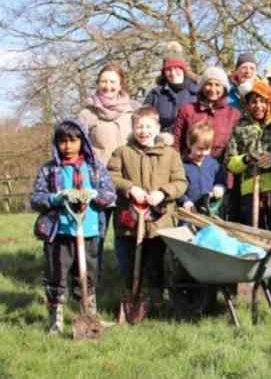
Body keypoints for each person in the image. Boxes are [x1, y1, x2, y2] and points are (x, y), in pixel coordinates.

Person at [30, 119, 116, 335]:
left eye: (73, 140)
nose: (67, 146)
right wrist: (55, 198)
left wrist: (96, 195)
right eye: (62, 141)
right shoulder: (49, 170)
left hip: (89, 231)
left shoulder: (95, 168)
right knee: (56, 276)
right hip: (59, 233)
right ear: (56, 143)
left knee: (88, 276)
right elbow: (36, 198)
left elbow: (110, 194)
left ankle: (89, 316)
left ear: (82, 141)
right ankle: (55, 322)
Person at [108, 106, 188, 306]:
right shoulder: (122, 152)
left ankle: (158, 299)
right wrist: (130, 188)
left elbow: (181, 182)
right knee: (130, 262)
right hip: (130, 219)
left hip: (159, 221)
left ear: (158, 128)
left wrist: (163, 193)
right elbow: (110, 177)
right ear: (132, 128)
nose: (143, 131)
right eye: (139, 127)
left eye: (148, 126)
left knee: (157, 263)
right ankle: (133, 297)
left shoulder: (170, 154)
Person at [77, 64, 139, 280]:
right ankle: (92, 280)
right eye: (104, 81)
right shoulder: (87, 113)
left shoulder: (132, 111)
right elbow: (78, 148)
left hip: (126, 182)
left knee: (125, 235)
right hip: (97, 183)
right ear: (98, 83)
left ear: (120, 84)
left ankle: (128, 279)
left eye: (112, 81)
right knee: (97, 234)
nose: (108, 86)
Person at [225, 80, 271, 232]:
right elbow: (229, 162)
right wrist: (246, 159)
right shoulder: (240, 127)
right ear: (247, 105)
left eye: (262, 101)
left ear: (270, 103)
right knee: (254, 236)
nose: (258, 106)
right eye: (253, 102)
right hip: (249, 191)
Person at [172, 66, 241, 159]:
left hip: (220, 170)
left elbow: (235, 148)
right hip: (189, 167)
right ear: (202, 87)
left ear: (224, 88)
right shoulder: (187, 110)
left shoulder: (233, 114)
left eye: (217, 85)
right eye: (209, 84)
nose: (213, 89)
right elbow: (176, 141)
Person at [177, 121, 226, 214]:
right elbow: (177, 187)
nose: (203, 153)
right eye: (200, 149)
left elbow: (221, 181)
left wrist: (220, 188)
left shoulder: (213, 164)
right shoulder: (182, 165)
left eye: (207, 149)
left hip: (210, 211)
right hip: (189, 211)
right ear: (190, 144)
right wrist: (184, 200)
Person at [143, 54, 199, 133]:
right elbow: (143, 119)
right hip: (162, 142)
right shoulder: (155, 94)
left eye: (176, 68)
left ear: (183, 70)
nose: (173, 73)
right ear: (164, 73)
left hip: (190, 142)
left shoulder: (197, 93)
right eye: (168, 70)